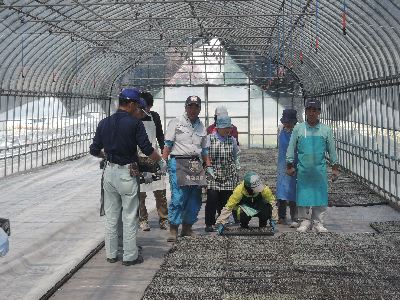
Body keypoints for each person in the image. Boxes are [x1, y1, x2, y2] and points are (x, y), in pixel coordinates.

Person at [90, 88, 167, 266]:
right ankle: (130, 256)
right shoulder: (134, 124)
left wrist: (107, 156)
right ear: (131, 104)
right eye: (137, 106)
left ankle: (111, 253)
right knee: (130, 215)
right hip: (127, 173)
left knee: (111, 216)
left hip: (109, 174)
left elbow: (94, 150)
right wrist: (160, 162)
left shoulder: (104, 123)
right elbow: (147, 149)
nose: (138, 110)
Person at [162, 95, 212, 242]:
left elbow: (204, 151)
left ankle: (187, 228)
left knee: (194, 199)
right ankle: (173, 229)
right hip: (178, 162)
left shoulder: (202, 127)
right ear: (185, 107)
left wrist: (208, 166)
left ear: (200, 109)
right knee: (178, 197)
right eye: (190, 106)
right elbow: (168, 144)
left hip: (195, 164)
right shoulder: (176, 122)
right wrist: (163, 161)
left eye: (196, 107)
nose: (193, 109)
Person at [286, 98, 339, 233]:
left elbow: (331, 149)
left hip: (319, 171)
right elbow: (291, 147)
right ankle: (304, 221)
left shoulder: (325, 130)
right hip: (303, 170)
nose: (311, 113)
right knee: (303, 195)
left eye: (314, 110)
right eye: (309, 110)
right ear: (306, 111)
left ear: (319, 112)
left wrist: (335, 167)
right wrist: (289, 164)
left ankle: (318, 222)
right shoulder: (299, 128)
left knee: (319, 195)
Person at [137, 91, 168, 232]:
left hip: (154, 157)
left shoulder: (154, 117)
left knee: (160, 191)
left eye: (148, 107)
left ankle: (164, 219)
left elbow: (160, 135)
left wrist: (163, 153)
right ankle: (143, 220)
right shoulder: (134, 118)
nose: (146, 110)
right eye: (144, 107)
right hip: (138, 158)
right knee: (140, 193)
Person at [204, 115, 239, 232]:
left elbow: (235, 156)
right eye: (225, 127)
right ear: (218, 127)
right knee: (212, 198)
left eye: (229, 127)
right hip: (213, 173)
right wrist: (208, 166)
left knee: (225, 201)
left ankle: (222, 222)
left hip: (228, 174)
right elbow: (205, 153)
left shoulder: (232, 140)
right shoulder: (210, 138)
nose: (227, 130)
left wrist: (237, 165)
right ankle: (209, 223)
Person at [276, 109, 298, 228]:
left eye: (289, 122)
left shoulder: (297, 131)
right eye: (285, 122)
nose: (287, 124)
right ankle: (281, 216)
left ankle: (294, 217)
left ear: (294, 122)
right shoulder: (280, 129)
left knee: (293, 192)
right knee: (281, 192)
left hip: (294, 163)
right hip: (281, 164)